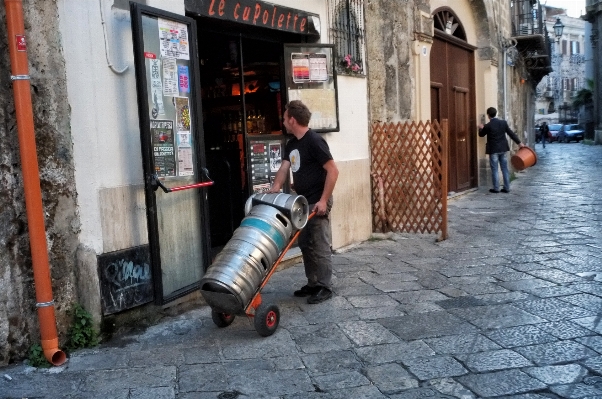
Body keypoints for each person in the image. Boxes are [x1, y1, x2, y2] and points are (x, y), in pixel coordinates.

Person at [268, 100, 339, 304]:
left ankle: (324, 287)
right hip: (301, 203)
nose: (282, 122)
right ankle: (313, 283)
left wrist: (324, 200)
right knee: (305, 244)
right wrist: (275, 188)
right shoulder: (292, 144)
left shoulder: (315, 141)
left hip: (318, 201)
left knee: (319, 244)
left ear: (292, 119)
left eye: (284, 118)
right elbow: (284, 168)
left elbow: (333, 171)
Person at [478, 107, 525, 193]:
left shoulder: (488, 126)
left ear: (488, 115)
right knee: (504, 168)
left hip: (493, 150)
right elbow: (511, 133)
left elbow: (481, 135)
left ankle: (496, 188)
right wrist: (519, 143)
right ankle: (507, 188)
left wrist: (481, 128)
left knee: (495, 169)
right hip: (503, 149)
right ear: (496, 113)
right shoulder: (503, 123)